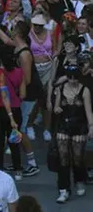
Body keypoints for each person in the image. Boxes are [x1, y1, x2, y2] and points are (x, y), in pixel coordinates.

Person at [51, 62, 93, 203]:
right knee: (63, 158)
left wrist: (91, 126)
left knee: (77, 158)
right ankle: (63, 189)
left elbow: (88, 111)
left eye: (75, 77)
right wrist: (57, 109)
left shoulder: (84, 90)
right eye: (70, 77)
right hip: (64, 125)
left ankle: (79, 179)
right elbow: (56, 106)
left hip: (79, 126)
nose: (73, 80)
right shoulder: (61, 88)